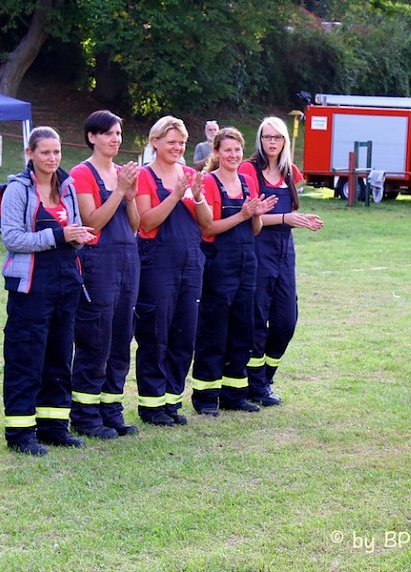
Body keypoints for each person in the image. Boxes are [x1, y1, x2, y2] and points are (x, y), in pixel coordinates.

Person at [1, 126, 96, 456]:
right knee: (26, 358)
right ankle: (20, 433)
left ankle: (54, 427)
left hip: (66, 283)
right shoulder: (17, 190)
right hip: (31, 287)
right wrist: (59, 236)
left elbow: (73, 230)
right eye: (45, 152)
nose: (52, 158)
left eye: (56, 152)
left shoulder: (67, 187)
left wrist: (78, 237)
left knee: (59, 356)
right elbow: (12, 238)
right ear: (30, 154)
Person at [191, 127, 278, 416]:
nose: (233, 155)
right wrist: (242, 214)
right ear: (216, 152)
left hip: (246, 263)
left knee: (243, 328)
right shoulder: (209, 182)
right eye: (227, 150)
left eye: (237, 149)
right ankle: (206, 397)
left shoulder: (246, 181)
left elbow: (254, 230)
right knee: (214, 330)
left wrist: (256, 215)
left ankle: (234, 395)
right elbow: (208, 228)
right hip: (218, 264)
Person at [238, 117, 323, 406]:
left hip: (285, 253)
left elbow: (291, 212)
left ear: (285, 141)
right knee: (256, 319)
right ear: (259, 140)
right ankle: (255, 384)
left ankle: (267, 376)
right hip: (257, 250)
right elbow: (251, 215)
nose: (272, 142)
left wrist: (302, 219)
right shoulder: (249, 170)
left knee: (286, 321)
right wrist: (287, 218)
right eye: (267, 137)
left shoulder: (290, 172)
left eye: (277, 137)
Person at [134, 115, 212, 426]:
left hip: (190, 264)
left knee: (184, 334)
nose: (177, 148)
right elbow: (146, 222)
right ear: (155, 143)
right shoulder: (144, 176)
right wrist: (176, 194)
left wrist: (199, 196)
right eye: (171, 142)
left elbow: (206, 222)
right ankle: (151, 405)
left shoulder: (190, 175)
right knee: (156, 333)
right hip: (157, 264)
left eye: (181, 143)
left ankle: (172, 401)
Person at [70, 110, 141, 439]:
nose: (116, 139)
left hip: (128, 260)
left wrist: (130, 197)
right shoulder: (81, 173)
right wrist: (118, 192)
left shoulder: (120, 172)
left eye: (118, 133)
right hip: (99, 262)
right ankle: (85, 415)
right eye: (109, 133)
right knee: (95, 339)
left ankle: (111, 410)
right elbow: (92, 222)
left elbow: (136, 224)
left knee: (121, 339)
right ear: (92, 137)